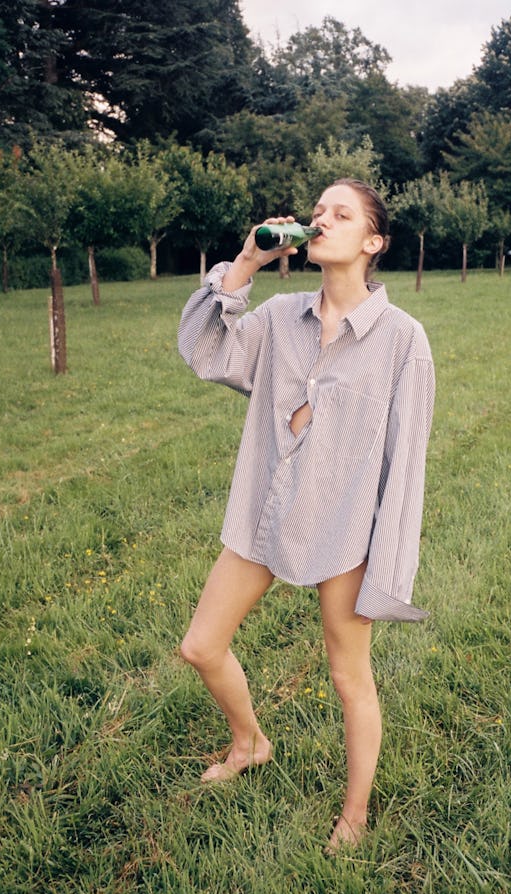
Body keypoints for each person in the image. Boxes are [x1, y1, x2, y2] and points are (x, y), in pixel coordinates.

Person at [177, 179, 435, 851]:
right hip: (265, 515)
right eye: (317, 212)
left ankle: (353, 814)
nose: (321, 220)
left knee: (350, 679)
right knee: (200, 646)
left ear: (372, 242)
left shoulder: (403, 341)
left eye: (340, 214)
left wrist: (387, 561)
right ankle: (249, 742)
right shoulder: (278, 317)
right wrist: (246, 265)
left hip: (343, 531)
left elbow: (405, 465)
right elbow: (208, 353)